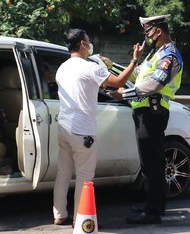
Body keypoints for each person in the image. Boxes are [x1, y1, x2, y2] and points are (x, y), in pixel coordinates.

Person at [52, 29, 143, 225]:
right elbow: (118, 82)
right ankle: (80, 218)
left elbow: (86, 88)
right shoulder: (90, 68)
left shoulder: (62, 68)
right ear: (83, 44)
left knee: (63, 173)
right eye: (89, 39)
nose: (90, 42)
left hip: (64, 127)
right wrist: (134, 61)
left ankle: (59, 214)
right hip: (82, 131)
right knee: (84, 178)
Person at [110, 14, 183, 224]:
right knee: (148, 163)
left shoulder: (170, 56)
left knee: (153, 164)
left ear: (158, 31)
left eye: (148, 31)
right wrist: (112, 65)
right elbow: (137, 76)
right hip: (144, 113)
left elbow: (154, 85)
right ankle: (151, 205)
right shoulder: (155, 54)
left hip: (153, 113)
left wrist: (124, 94)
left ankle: (153, 213)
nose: (146, 36)